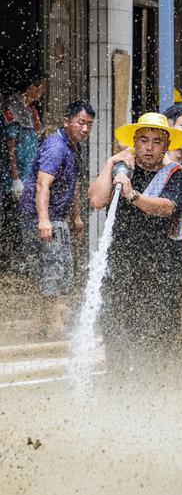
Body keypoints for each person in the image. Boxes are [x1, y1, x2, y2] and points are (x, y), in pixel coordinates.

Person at [89, 113, 182, 379]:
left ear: (166, 145)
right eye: (143, 140)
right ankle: (117, 390)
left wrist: (132, 195)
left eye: (156, 142)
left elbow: (167, 208)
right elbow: (97, 201)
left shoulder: (177, 176)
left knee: (154, 336)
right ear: (134, 142)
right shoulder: (122, 168)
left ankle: (149, 398)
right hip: (121, 266)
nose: (149, 147)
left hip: (161, 270)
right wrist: (112, 162)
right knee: (114, 330)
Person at [19, 101, 93, 338]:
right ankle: (55, 326)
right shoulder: (55, 147)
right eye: (81, 123)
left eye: (89, 125)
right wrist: (44, 220)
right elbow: (43, 183)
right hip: (42, 218)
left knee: (56, 271)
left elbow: (73, 183)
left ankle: (40, 325)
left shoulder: (74, 146)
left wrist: (77, 216)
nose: (85, 129)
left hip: (57, 218)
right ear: (66, 121)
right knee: (51, 271)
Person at [1, 69, 46, 270]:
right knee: (8, 217)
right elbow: (10, 147)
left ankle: (24, 260)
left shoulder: (33, 111)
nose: (43, 93)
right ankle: (7, 259)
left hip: (30, 174)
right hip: (12, 177)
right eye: (42, 88)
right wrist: (15, 178)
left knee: (26, 216)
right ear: (32, 87)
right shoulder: (12, 107)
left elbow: (37, 139)